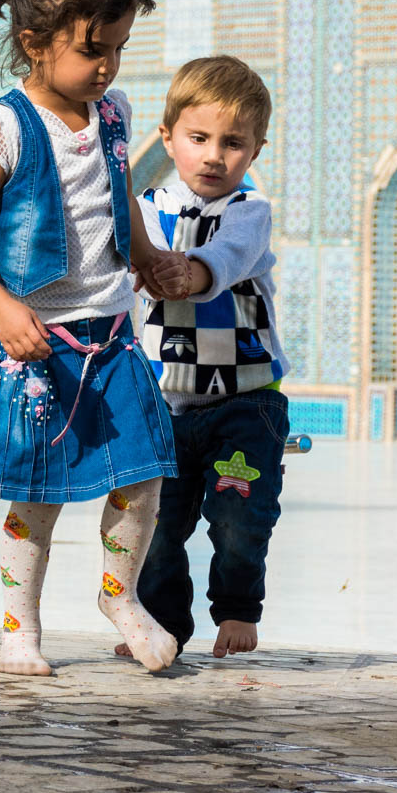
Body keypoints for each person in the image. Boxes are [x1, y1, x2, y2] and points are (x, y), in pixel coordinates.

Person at [0, 0, 192, 676]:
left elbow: (117, 198)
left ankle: (119, 595)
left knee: (141, 477)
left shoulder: (112, 117)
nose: (108, 66)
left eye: (117, 49)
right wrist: (2, 308)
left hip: (110, 335)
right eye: (92, 49)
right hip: (36, 343)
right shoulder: (5, 127)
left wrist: (146, 257)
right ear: (34, 40)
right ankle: (19, 627)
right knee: (37, 494)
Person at [124, 55, 290, 661]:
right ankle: (163, 623)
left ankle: (239, 608)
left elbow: (227, 258)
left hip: (245, 403)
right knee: (159, 527)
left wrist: (186, 273)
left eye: (233, 143)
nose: (214, 155)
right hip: (163, 403)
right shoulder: (142, 211)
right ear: (168, 138)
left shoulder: (250, 212)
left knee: (239, 518)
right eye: (198, 139)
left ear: (255, 150)